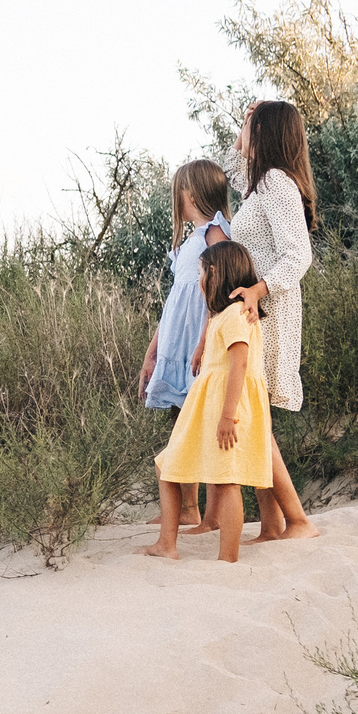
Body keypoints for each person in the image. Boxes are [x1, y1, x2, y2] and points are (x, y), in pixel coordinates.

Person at [217, 99, 321, 541]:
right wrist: (246, 122)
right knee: (257, 416)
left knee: (255, 416)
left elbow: (299, 255)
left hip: (270, 312)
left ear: (267, 134)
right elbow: (227, 164)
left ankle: (297, 520)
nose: (245, 134)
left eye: (251, 126)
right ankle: (273, 525)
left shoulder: (277, 183)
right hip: (255, 313)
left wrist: (260, 289)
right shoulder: (257, 186)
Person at [142, 241, 273, 564]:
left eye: (200, 272)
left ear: (214, 273)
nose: (198, 279)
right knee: (169, 466)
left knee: (225, 480)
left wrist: (228, 416)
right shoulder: (226, 316)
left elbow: (239, 364)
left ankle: (226, 558)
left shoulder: (235, 315)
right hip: (208, 406)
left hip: (222, 408)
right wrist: (203, 346)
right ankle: (167, 544)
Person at [138, 158, 233, 533]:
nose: (175, 197)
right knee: (181, 418)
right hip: (176, 343)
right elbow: (175, 301)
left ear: (190, 193)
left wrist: (205, 338)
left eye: (179, 190)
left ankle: (205, 513)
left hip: (198, 342)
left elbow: (220, 290)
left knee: (201, 421)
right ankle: (187, 507)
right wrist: (153, 352)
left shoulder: (215, 233)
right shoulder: (188, 242)